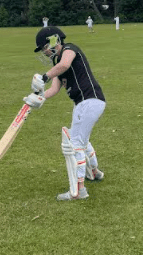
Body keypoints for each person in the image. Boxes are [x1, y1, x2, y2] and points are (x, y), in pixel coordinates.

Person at [23, 26, 106, 201]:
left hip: (89, 100)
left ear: (55, 40)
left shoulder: (69, 49)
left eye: (45, 47)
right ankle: (94, 172)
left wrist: (44, 77)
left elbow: (65, 64)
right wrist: (38, 97)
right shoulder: (57, 64)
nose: (45, 51)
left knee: (75, 145)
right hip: (82, 103)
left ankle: (78, 191)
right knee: (81, 140)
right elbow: (54, 89)